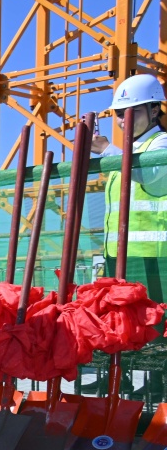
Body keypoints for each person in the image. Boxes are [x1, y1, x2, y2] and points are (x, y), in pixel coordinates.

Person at [92, 73, 167, 305]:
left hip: (153, 257)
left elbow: (148, 174)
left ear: (154, 110)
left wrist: (106, 149)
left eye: (133, 111)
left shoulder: (161, 141)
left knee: (152, 328)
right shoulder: (125, 151)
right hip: (117, 254)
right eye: (118, 113)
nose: (124, 119)